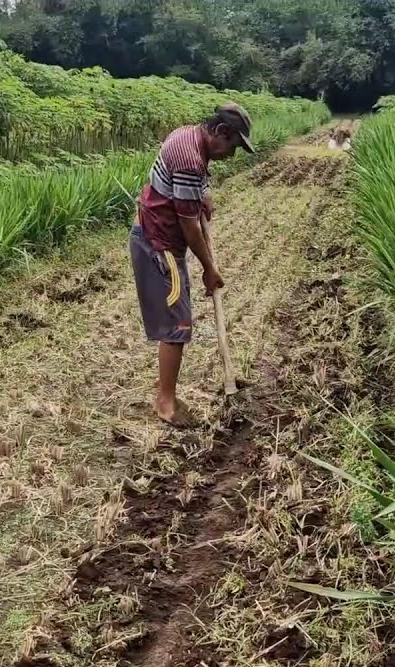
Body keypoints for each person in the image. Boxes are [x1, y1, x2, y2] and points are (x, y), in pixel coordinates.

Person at [128, 103, 255, 427]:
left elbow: (194, 180)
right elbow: (189, 228)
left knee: (177, 321)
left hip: (157, 234)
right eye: (233, 146)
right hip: (161, 244)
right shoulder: (189, 160)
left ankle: (164, 389)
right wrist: (209, 269)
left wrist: (204, 191)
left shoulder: (187, 134)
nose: (232, 154)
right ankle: (165, 402)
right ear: (220, 133)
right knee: (178, 323)